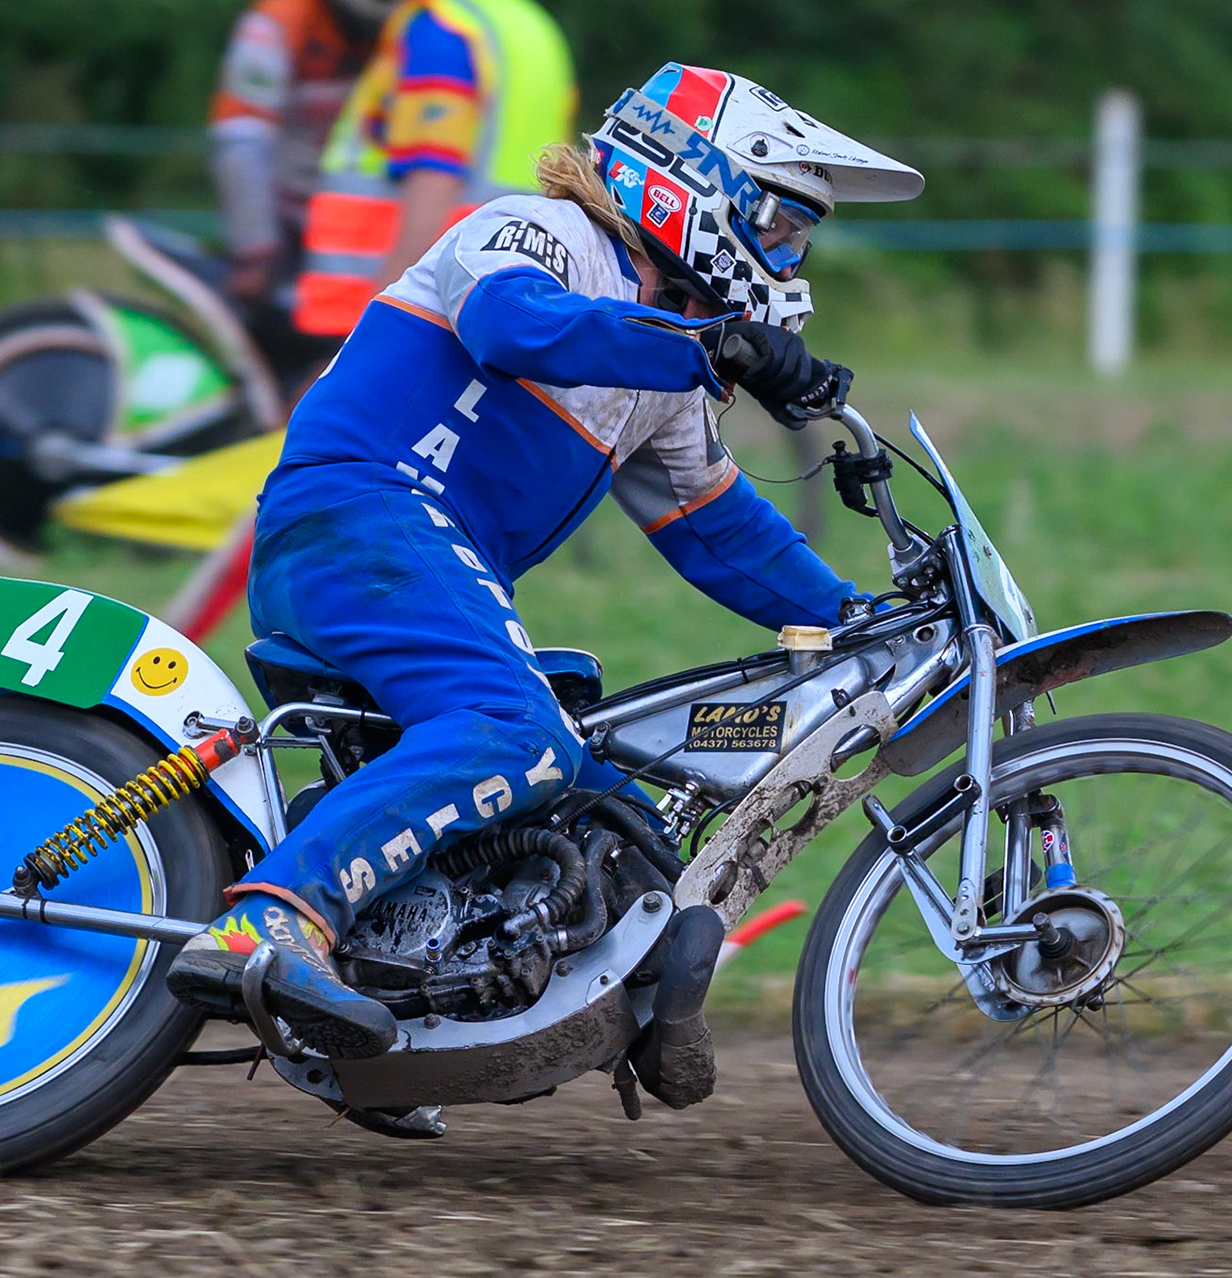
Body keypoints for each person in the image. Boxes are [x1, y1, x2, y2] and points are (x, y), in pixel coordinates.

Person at [167, 64, 924, 1058]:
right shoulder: (543, 232)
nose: (789, 254)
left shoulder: (664, 369)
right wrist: (714, 344)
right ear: (690, 180)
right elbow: (513, 325)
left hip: (420, 556)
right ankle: (270, 919)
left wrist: (866, 619)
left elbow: (718, 530)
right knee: (513, 729)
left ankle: (588, 1009)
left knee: (622, 802)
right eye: (780, 223)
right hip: (361, 515)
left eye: (800, 236)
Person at [290, 0, 577, 337]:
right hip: (492, 291)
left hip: (409, 299)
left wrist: (382, 313)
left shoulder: (441, 29)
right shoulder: (526, 23)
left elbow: (434, 176)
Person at [207, 0, 394, 366]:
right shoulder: (279, 22)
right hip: (288, 224)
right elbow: (241, 135)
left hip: (367, 232)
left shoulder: (420, 23)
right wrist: (256, 247)